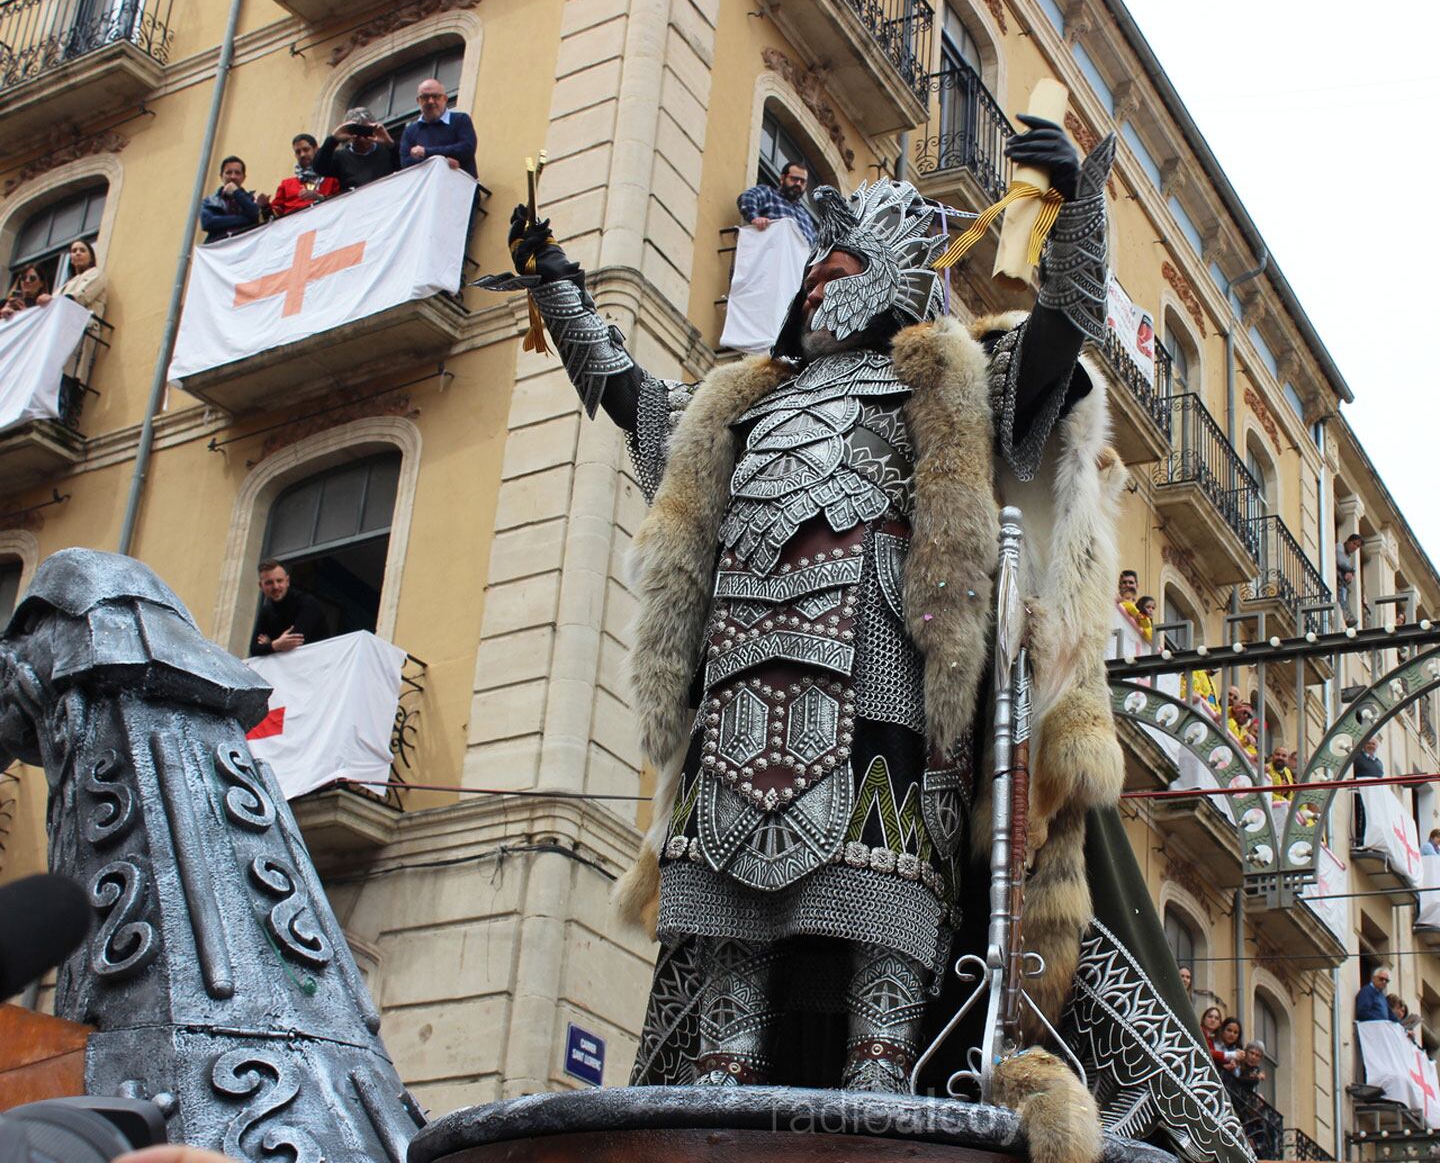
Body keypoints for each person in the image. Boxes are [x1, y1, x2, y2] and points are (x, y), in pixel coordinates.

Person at [475, 116, 1202, 1133]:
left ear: (893, 279)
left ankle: (884, 1101)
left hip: (885, 688)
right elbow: (634, 402)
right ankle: (714, 1105)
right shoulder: (742, 404)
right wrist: (560, 295)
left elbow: (1060, 333)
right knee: (729, 948)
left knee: (880, 901)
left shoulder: (942, 385)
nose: (815, 287)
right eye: (812, 275)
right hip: (735, 690)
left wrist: (1076, 214)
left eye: (838, 269)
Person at [249, 559, 331, 657]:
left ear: (287, 581)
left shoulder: (307, 602)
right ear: (261, 586)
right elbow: (254, 648)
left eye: (279, 581)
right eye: (269, 583)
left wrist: (270, 644)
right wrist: (276, 645)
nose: (275, 586)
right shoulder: (266, 611)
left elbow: (294, 642)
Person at [399, 78, 478, 175]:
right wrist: (443, 161)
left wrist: (426, 152)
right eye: (425, 97)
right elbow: (406, 164)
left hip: (460, 187)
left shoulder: (460, 120)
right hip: (428, 188)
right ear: (418, 101)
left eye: (435, 96)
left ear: (445, 99)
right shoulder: (410, 131)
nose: (431, 101)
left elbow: (467, 149)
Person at [316, 107, 400, 191]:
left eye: (365, 132)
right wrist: (333, 139)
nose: (362, 139)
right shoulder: (340, 158)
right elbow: (319, 168)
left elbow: (405, 165)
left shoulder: (387, 151)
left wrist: (390, 144)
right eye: (358, 133)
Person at [736, 159, 817, 245]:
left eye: (802, 181)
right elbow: (748, 197)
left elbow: (816, 245)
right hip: (771, 253)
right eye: (794, 179)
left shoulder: (805, 216)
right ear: (782, 178)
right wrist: (755, 218)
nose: (798, 184)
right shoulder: (769, 194)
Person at [271, 133, 342, 217]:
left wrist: (319, 198)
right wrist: (264, 207)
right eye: (298, 152)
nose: (302, 155)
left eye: (306, 149)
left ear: (316, 150)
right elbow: (274, 214)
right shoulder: (286, 184)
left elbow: (340, 204)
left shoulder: (332, 179)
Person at [200, 156, 267, 242]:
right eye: (228, 172)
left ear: (243, 177)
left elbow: (255, 214)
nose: (233, 176)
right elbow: (208, 223)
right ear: (221, 176)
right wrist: (244, 219)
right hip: (218, 247)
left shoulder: (251, 199)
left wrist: (236, 193)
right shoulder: (210, 201)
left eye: (237, 173)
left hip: (245, 246)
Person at [52, 239, 105, 310]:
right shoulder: (66, 285)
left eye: (82, 250)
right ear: (71, 259)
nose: (78, 253)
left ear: (91, 258)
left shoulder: (96, 274)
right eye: (74, 251)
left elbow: (81, 297)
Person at [1336, 533, 1363, 623]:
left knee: (1345, 596)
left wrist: (1350, 572)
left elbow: (1345, 566)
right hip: (1337, 579)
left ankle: (1348, 617)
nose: (1355, 547)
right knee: (1343, 597)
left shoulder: (1348, 556)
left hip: (1341, 581)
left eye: (1357, 546)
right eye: (1354, 543)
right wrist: (1352, 570)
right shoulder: (1339, 546)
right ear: (1348, 541)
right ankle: (1347, 617)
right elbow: (1341, 562)